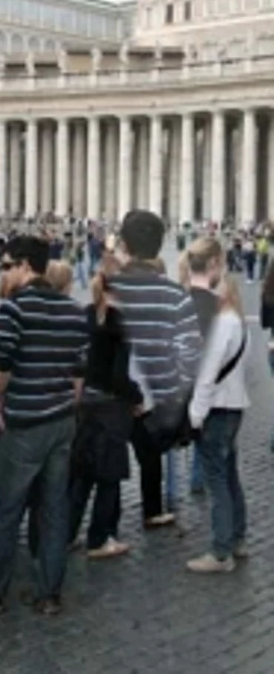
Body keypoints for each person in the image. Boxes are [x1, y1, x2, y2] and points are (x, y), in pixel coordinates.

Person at [0, 234, 91, 618]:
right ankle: (49, 594)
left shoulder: (13, 309)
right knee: (54, 511)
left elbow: (1, 365)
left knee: (6, 509)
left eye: (6, 265)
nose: (3, 272)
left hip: (23, 422)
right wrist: (67, 403)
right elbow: (79, 371)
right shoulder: (74, 310)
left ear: (24, 266)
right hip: (61, 420)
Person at [102, 210, 203, 532]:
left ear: (125, 245)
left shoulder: (108, 290)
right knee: (151, 460)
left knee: (107, 463)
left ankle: (99, 530)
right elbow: (190, 354)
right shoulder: (176, 295)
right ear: (161, 246)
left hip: (115, 393)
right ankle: (152, 510)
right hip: (156, 398)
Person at [184, 236, 249, 573]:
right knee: (230, 476)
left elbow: (207, 372)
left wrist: (195, 414)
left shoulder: (220, 322)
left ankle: (221, 552)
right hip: (234, 405)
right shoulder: (236, 320)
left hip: (216, 409)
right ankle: (237, 538)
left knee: (217, 480)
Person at [69, 254, 136, 560]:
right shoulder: (121, 321)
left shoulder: (87, 313)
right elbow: (120, 376)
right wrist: (137, 398)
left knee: (83, 472)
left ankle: (67, 533)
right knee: (108, 476)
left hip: (87, 402)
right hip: (111, 405)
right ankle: (99, 538)